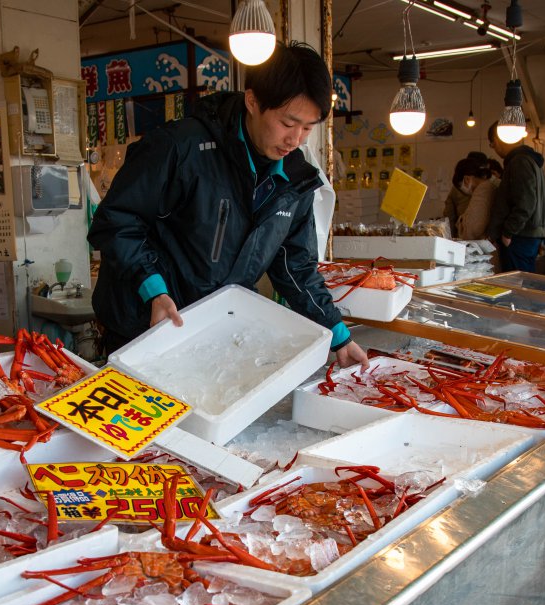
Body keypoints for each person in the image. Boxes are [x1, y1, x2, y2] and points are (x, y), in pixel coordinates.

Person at [88, 42, 368, 368]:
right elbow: (117, 221)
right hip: (145, 329)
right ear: (252, 101)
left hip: (213, 337)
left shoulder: (295, 181)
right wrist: (153, 290)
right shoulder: (181, 148)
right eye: (288, 124)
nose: (296, 140)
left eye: (308, 128)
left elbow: (297, 268)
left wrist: (338, 334)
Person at [485, 122, 545, 272]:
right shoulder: (531, 161)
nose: (495, 149)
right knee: (523, 285)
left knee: (516, 286)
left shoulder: (519, 161)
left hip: (519, 236)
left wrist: (508, 232)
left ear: (498, 138)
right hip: (529, 235)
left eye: (492, 144)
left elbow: (526, 203)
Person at [455, 160, 496, 240]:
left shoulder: (483, 189)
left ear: (467, 179)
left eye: (462, 186)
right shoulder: (490, 185)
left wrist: (461, 222)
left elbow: (473, 228)